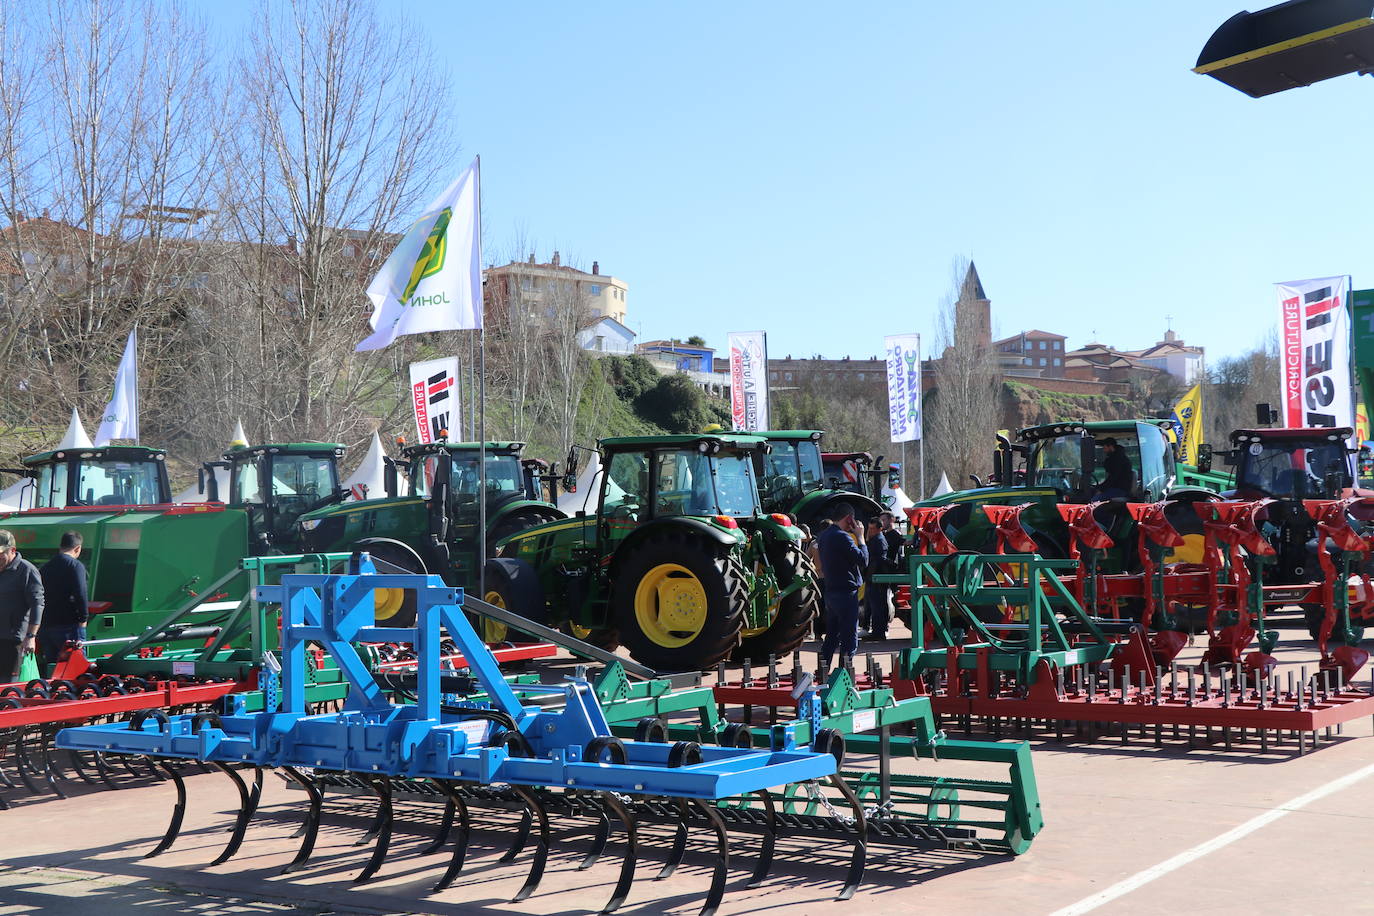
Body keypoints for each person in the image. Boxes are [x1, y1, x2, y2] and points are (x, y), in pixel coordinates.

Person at [817, 503, 867, 670]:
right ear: (849, 519)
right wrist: (860, 537)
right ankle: (843, 674)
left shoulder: (824, 535)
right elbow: (863, 560)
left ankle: (823, 672)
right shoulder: (843, 537)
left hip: (831, 591)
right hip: (846, 592)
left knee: (831, 635)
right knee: (849, 637)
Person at [39, 531, 88, 670]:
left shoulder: (46, 567)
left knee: (52, 669)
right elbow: (81, 593)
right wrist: (83, 619)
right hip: (68, 625)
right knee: (74, 668)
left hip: (46, 625)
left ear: (60, 546)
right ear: (77, 548)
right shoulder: (75, 566)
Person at [0, 529, 44, 681]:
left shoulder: (27, 570)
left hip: (13, 640)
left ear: (12, 550)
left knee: (7, 685)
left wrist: (31, 636)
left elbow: (38, 603)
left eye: (0, 554)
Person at [864, 512, 903, 640]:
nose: (870, 531)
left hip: (878, 578)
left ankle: (879, 633)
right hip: (874, 577)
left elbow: (879, 559)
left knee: (878, 606)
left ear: (879, 529)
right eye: (869, 528)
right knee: (875, 605)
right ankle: (877, 631)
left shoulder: (880, 541)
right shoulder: (875, 539)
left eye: (872, 529)